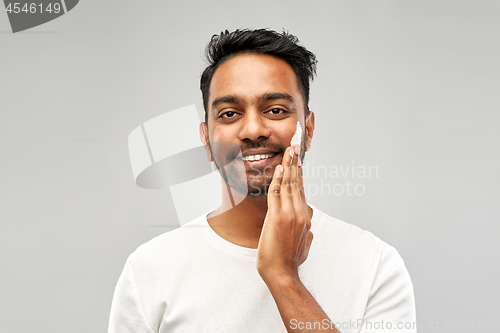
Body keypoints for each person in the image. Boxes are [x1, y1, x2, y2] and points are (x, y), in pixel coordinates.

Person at [108, 29, 417, 333]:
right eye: (229, 114)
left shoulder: (375, 265)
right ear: (206, 139)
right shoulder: (149, 270)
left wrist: (283, 276)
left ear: (308, 128)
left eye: (276, 110)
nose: (253, 129)